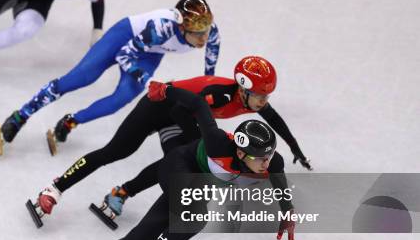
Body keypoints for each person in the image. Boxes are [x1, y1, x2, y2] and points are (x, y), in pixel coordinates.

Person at [35, 84, 296, 240]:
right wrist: (165, 91)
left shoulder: (272, 163)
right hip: (177, 166)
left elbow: (280, 183)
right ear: (240, 151)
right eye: (261, 158)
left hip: (195, 185)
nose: (267, 163)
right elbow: (196, 104)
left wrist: (287, 212)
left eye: (269, 156)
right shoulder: (217, 142)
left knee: (137, 239)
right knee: (196, 217)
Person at [32, 56, 311, 223]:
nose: (265, 102)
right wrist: (198, 142)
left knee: (175, 162)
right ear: (244, 90)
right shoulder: (222, 93)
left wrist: (295, 148)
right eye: (261, 96)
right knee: (114, 152)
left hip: (180, 116)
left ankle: (121, 193)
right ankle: (54, 188)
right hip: (158, 108)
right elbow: (179, 108)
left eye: (267, 97)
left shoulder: (254, 101)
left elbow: (274, 121)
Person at [0, 0, 221, 154]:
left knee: (119, 100)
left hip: (149, 52)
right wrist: (143, 76)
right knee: (78, 79)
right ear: (181, 28)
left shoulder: (211, 34)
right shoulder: (161, 28)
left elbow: (209, 71)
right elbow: (124, 55)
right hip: (125, 38)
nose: (203, 39)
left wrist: (207, 92)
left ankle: (71, 121)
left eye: (206, 31)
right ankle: (20, 115)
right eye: (198, 34)